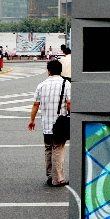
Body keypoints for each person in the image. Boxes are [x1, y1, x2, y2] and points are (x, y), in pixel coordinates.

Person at [28, 59, 71, 187]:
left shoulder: (41, 85)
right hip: (60, 124)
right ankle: (57, 179)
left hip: (46, 123)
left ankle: (50, 176)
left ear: (49, 71)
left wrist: (32, 120)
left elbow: (36, 104)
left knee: (48, 148)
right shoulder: (66, 84)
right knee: (58, 148)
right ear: (60, 71)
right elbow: (69, 103)